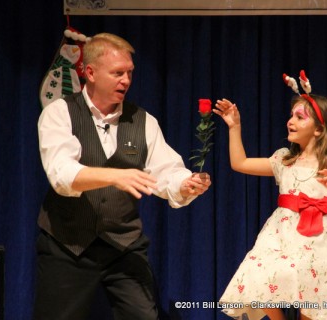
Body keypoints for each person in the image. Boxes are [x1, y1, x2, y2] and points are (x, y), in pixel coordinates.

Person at [35, 32, 211, 320]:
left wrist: (186, 183)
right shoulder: (60, 113)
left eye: (129, 73)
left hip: (123, 245)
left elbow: (167, 171)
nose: (126, 81)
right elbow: (61, 174)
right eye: (117, 73)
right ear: (90, 72)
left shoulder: (142, 120)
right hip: (68, 245)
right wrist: (114, 176)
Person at [213, 80, 327, 320]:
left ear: (319, 130)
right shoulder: (284, 160)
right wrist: (234, 127)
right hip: (282, 238)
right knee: (258, 275)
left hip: (319, 243)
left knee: (317, 297)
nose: (290, 121)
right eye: (291, 115)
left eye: (300, 117)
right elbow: (239, 163)